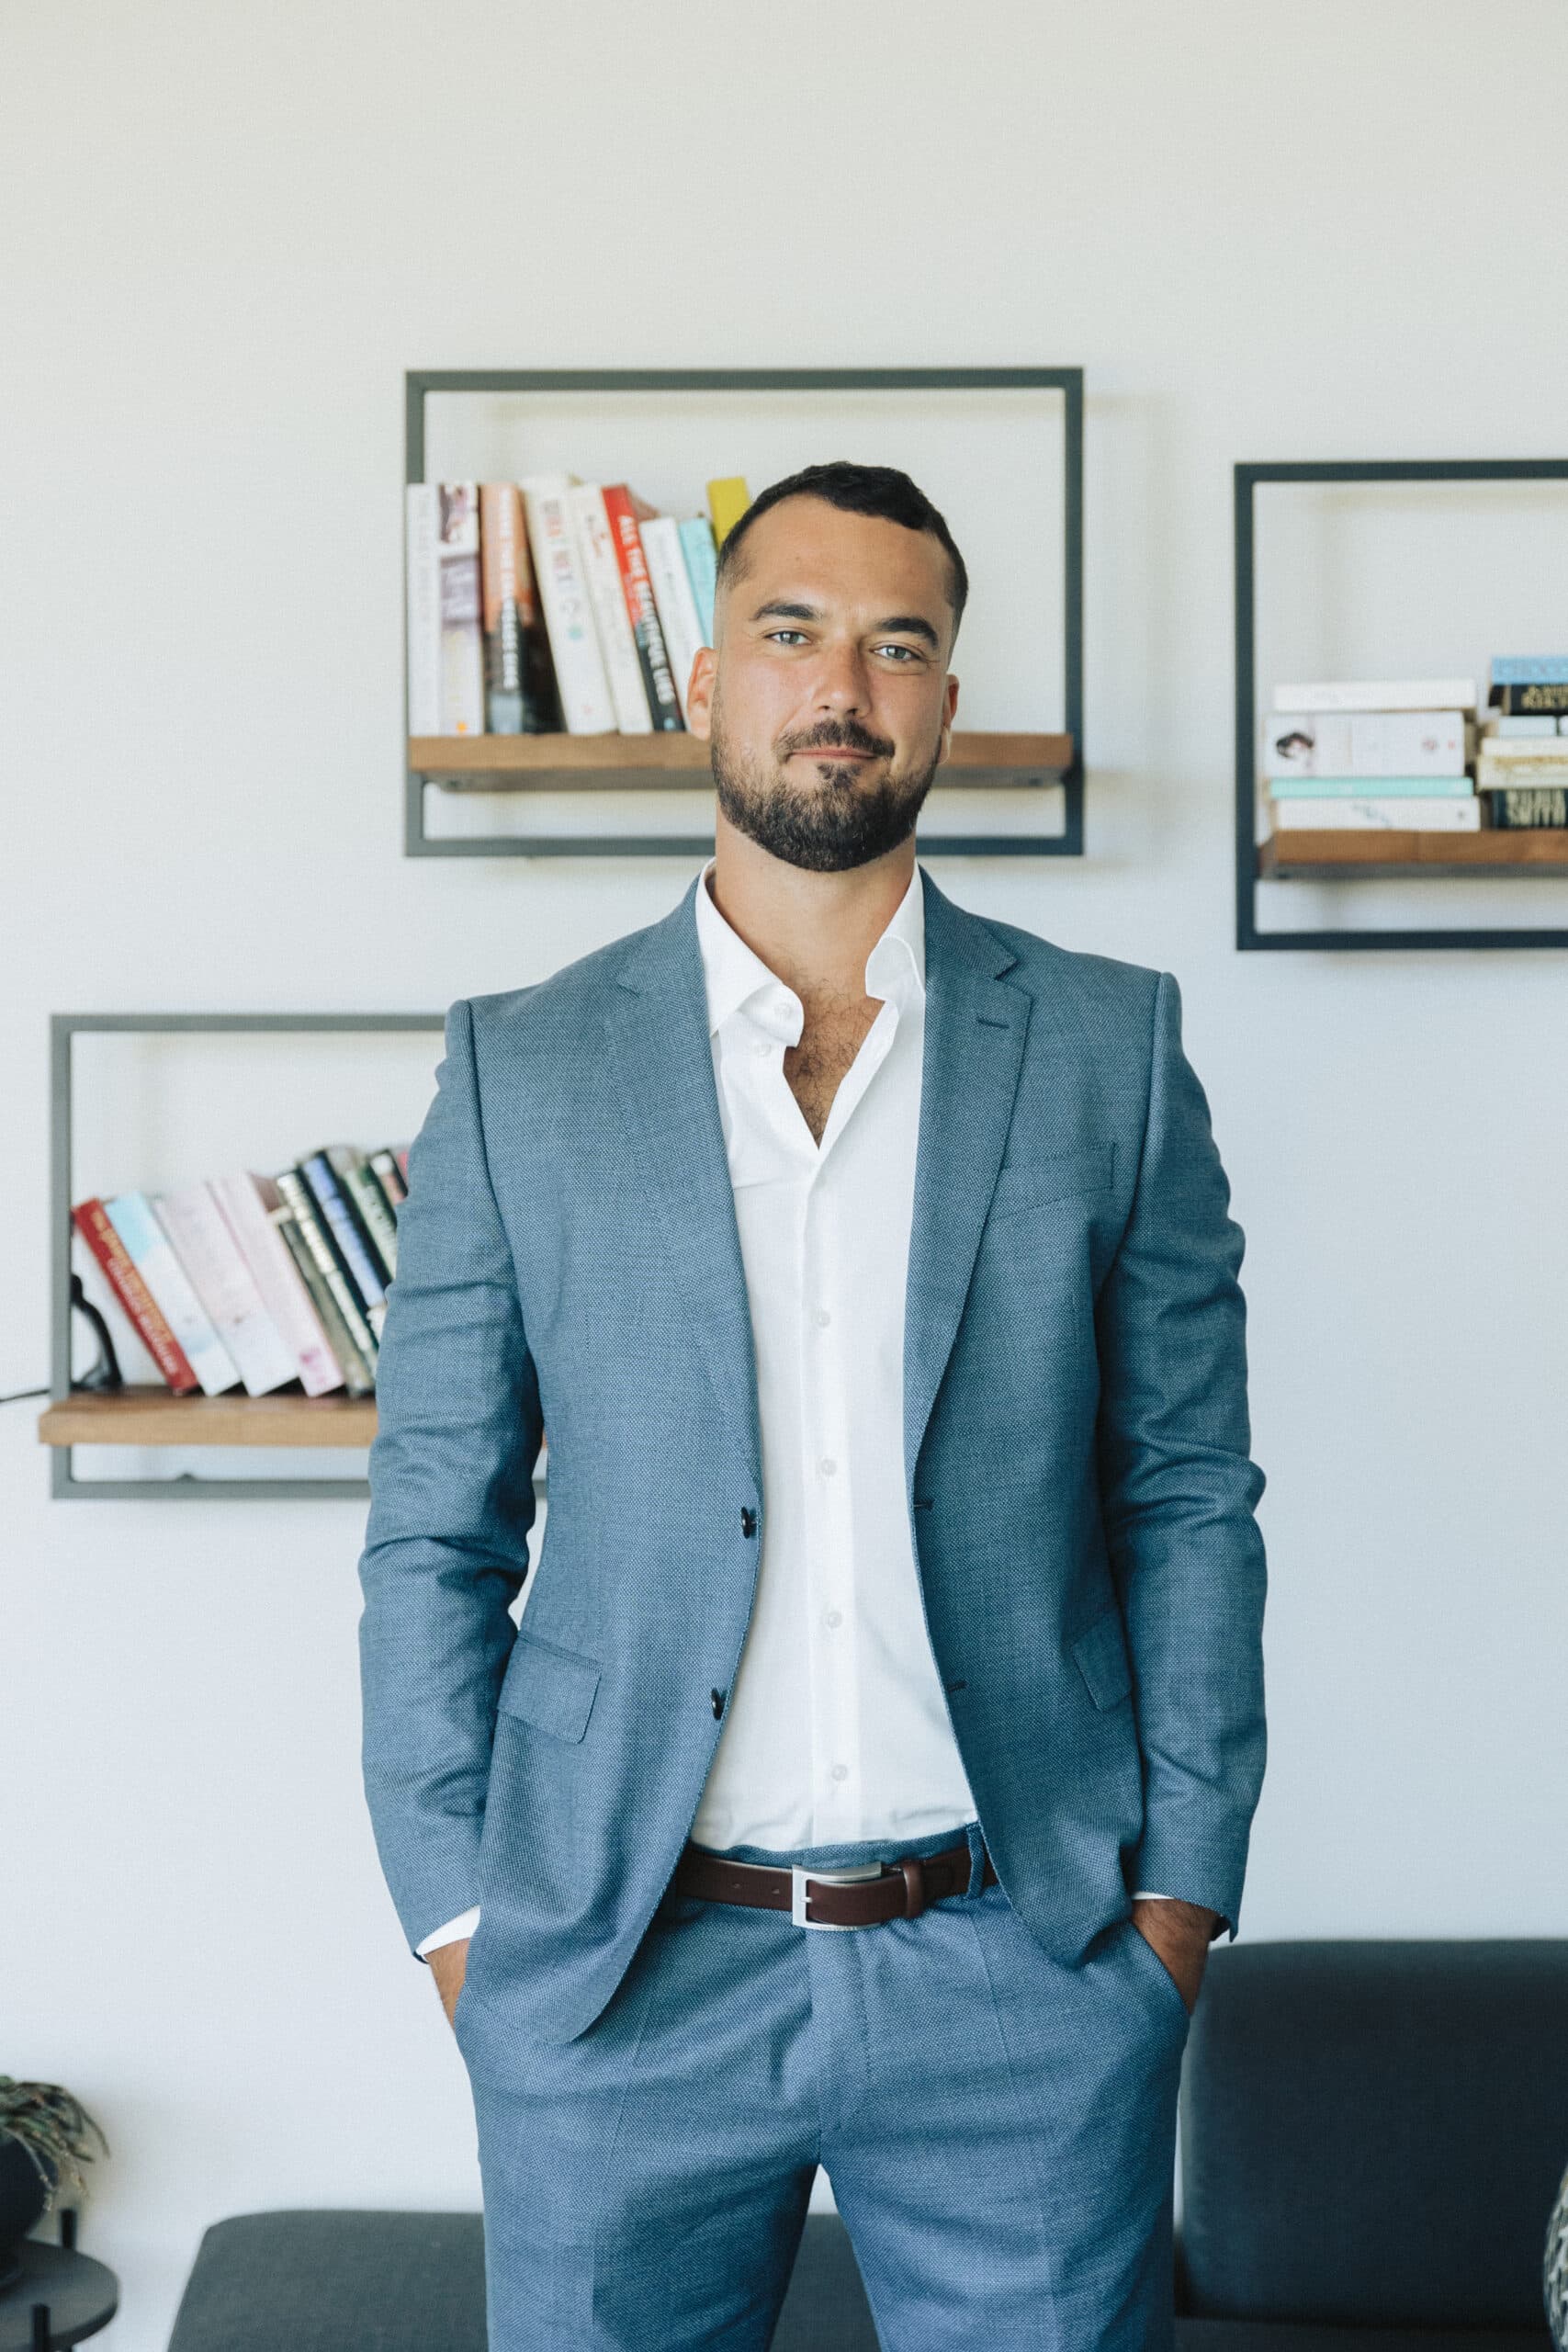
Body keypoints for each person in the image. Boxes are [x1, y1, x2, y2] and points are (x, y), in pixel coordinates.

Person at [357, 460, 1268, 2349]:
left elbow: (1184, 1494)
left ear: (942, 698)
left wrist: (1175, 1894)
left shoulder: (1111, 1049)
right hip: (621, 1977)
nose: (837, 681)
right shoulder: (518, 1071)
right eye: (788, 630)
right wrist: (464, 1924)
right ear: (705, 681)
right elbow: (431, 1528)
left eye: (895, 641)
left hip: (1022, 1965)